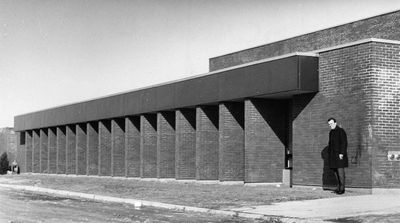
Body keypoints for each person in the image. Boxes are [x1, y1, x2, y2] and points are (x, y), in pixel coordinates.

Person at [327, 118, 348, 194]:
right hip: (333, 156)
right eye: (329, 124)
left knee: (340, 173)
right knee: (335, 172)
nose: (330, 125)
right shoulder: (331, 132)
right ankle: (338, 187)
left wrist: (342, 153)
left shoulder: (341, 131)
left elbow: (344, 143)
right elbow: (330, 144)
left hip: (339, 155)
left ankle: (342, 189)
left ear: (335, 123)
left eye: (331, 124)